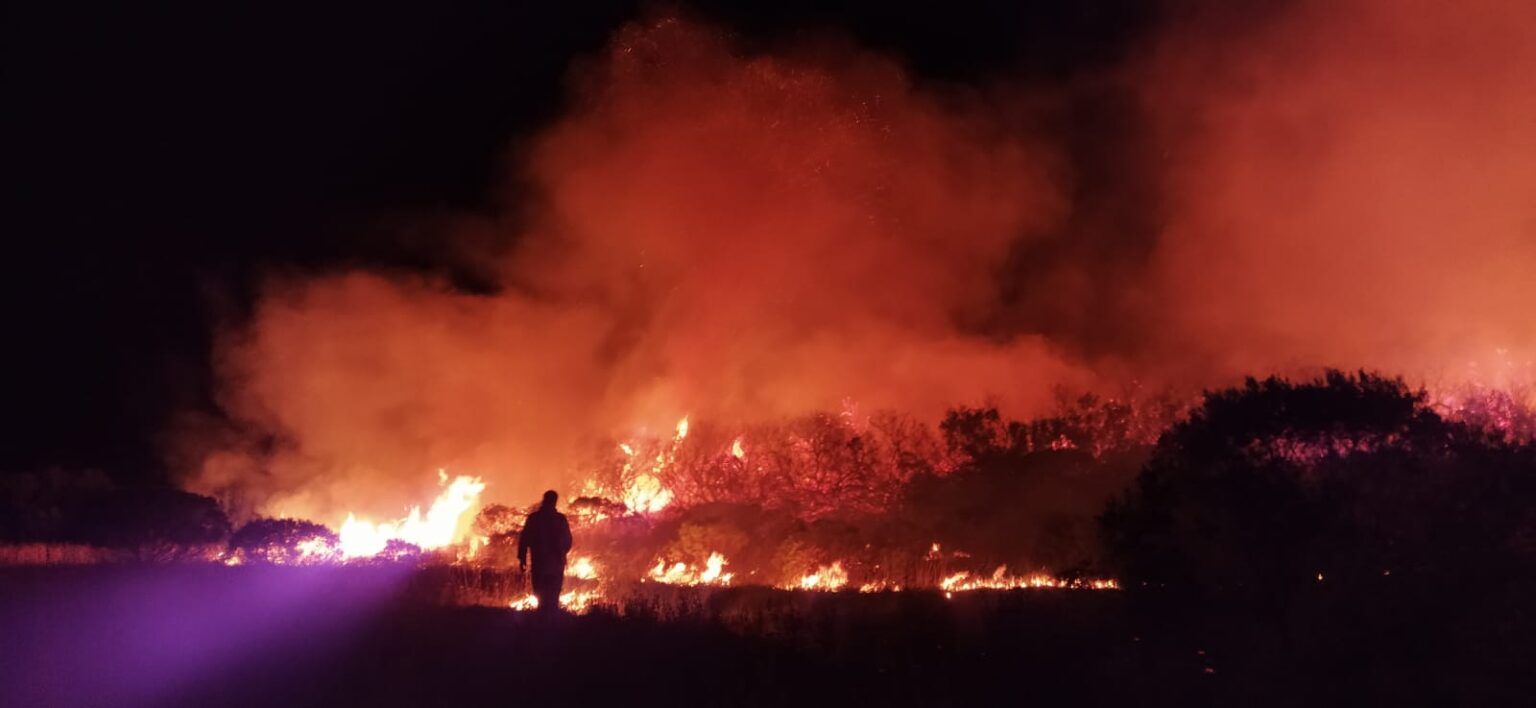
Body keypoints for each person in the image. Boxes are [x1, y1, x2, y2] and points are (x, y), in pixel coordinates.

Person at [518, 490, 572, 611]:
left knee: (540, 590)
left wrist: (522, 558)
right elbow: (568, 541)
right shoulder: (560, 519)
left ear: (544, 500)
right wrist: (562, 553)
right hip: (555, 564)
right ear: (555, 502)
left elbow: (524, 539)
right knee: (553, 591)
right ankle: (551, 614)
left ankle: (542, 614)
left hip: (539, 562)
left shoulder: (534, 518)